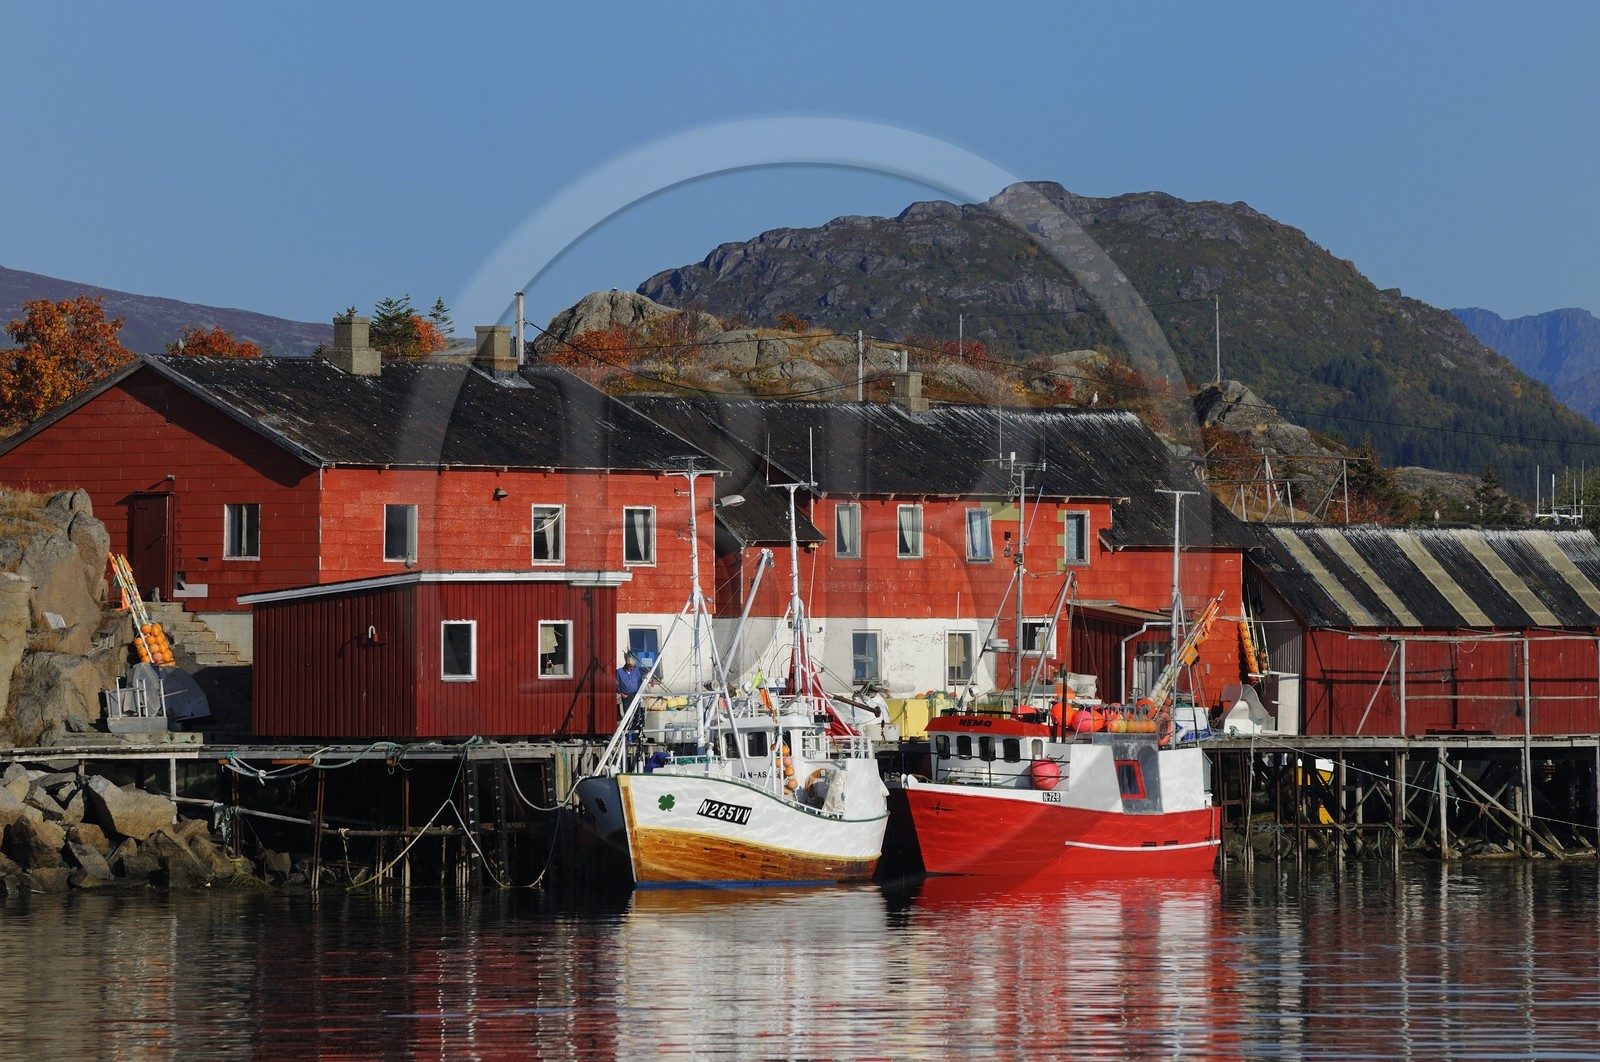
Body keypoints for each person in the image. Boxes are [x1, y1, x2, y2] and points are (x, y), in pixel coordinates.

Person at [616, 652, 644, 716]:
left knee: (637, 713)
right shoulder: (619, 672)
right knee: (627, 714)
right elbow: (616, 683)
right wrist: (621, 693)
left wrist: (640, 692)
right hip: (626, 696)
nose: (632, 668)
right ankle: (628, 725)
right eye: (631, 666)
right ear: (627, 664)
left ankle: (636, 725)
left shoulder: (636, 670)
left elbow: (640, 681)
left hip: (635, 695)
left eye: (633, 666)